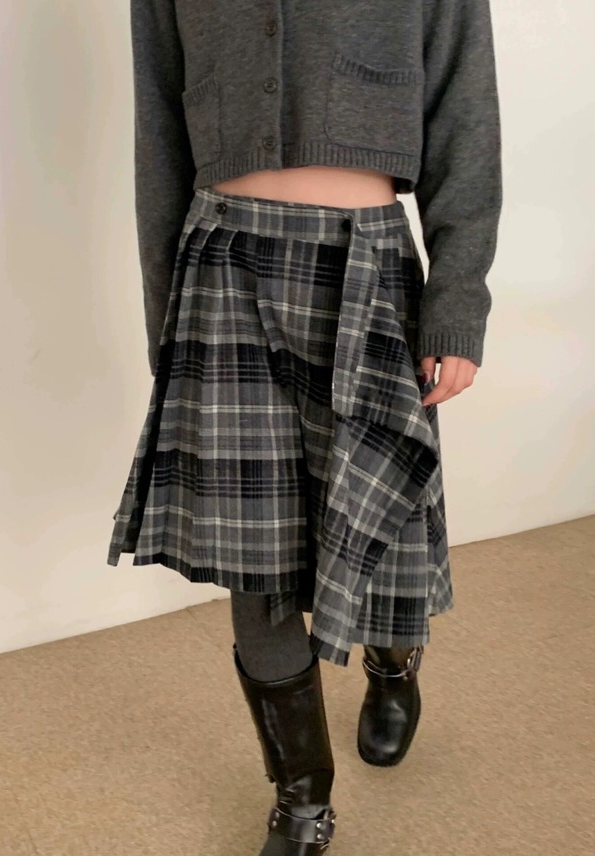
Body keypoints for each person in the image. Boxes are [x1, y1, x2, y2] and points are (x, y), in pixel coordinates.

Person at [108, 1, 502, 853]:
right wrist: (165, 313)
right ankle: (302, 799)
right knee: (253, 546)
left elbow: (465, 109)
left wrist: (457, 303)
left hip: (366, 257)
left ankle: (392, 657)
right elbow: (158, 127)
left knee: (385, 508)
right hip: (222, 261)